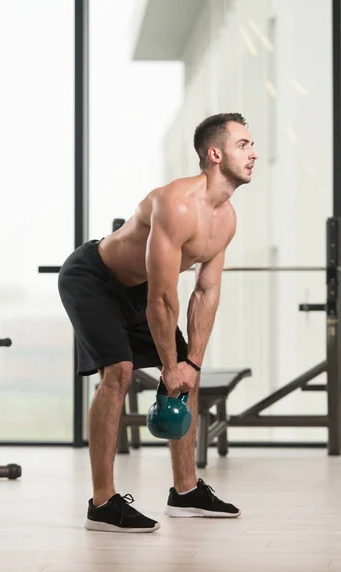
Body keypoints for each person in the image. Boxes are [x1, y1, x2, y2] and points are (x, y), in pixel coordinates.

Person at [58, 112, 258, 533]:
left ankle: (185, 493)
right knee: (119, 371)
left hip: (138, 288)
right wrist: (169, 368)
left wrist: (191, 364)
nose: (253, 152)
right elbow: (163, 298)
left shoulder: (226, 220)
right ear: (215, 153)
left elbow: (205, 292)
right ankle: (103, 503)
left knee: (189, 373)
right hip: (93, 278)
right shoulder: (175, 203)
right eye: (244, 144)